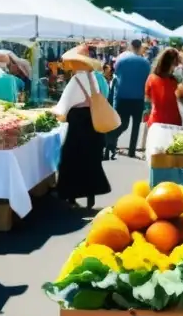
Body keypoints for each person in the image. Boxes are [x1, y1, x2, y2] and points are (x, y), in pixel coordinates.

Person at [53, 45, 112, 209]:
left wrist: (53, 112)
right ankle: (90, 196)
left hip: (78, 123)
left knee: (71, 159)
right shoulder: (93, 78)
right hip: (92, 121)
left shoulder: (76, 80)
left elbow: (63, 106)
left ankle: (70, 196)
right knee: (91, 160)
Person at [112, 40, 151, 158]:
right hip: (138, 98)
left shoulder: (121, 60)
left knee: (121, 123)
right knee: (136, 126)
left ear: (130, 46)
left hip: (122, 96)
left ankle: (112, 142)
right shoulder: (145, 63)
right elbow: (147, 79)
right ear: (140, 48)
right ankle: (132, 151)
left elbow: (117, 74)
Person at [145, 48, 183, 128]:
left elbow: (147, 100)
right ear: (172, 64)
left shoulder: (151, 78)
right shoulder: (174, 81)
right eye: (175, 64)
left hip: (156, 121)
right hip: (173, 121)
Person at [102, 62, 118, 160]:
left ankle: (111, 148)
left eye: (110, 70)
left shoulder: (114, 80)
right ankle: (107, 149)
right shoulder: (102, 80)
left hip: (112, 108)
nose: (109, 72)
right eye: (107, 70)